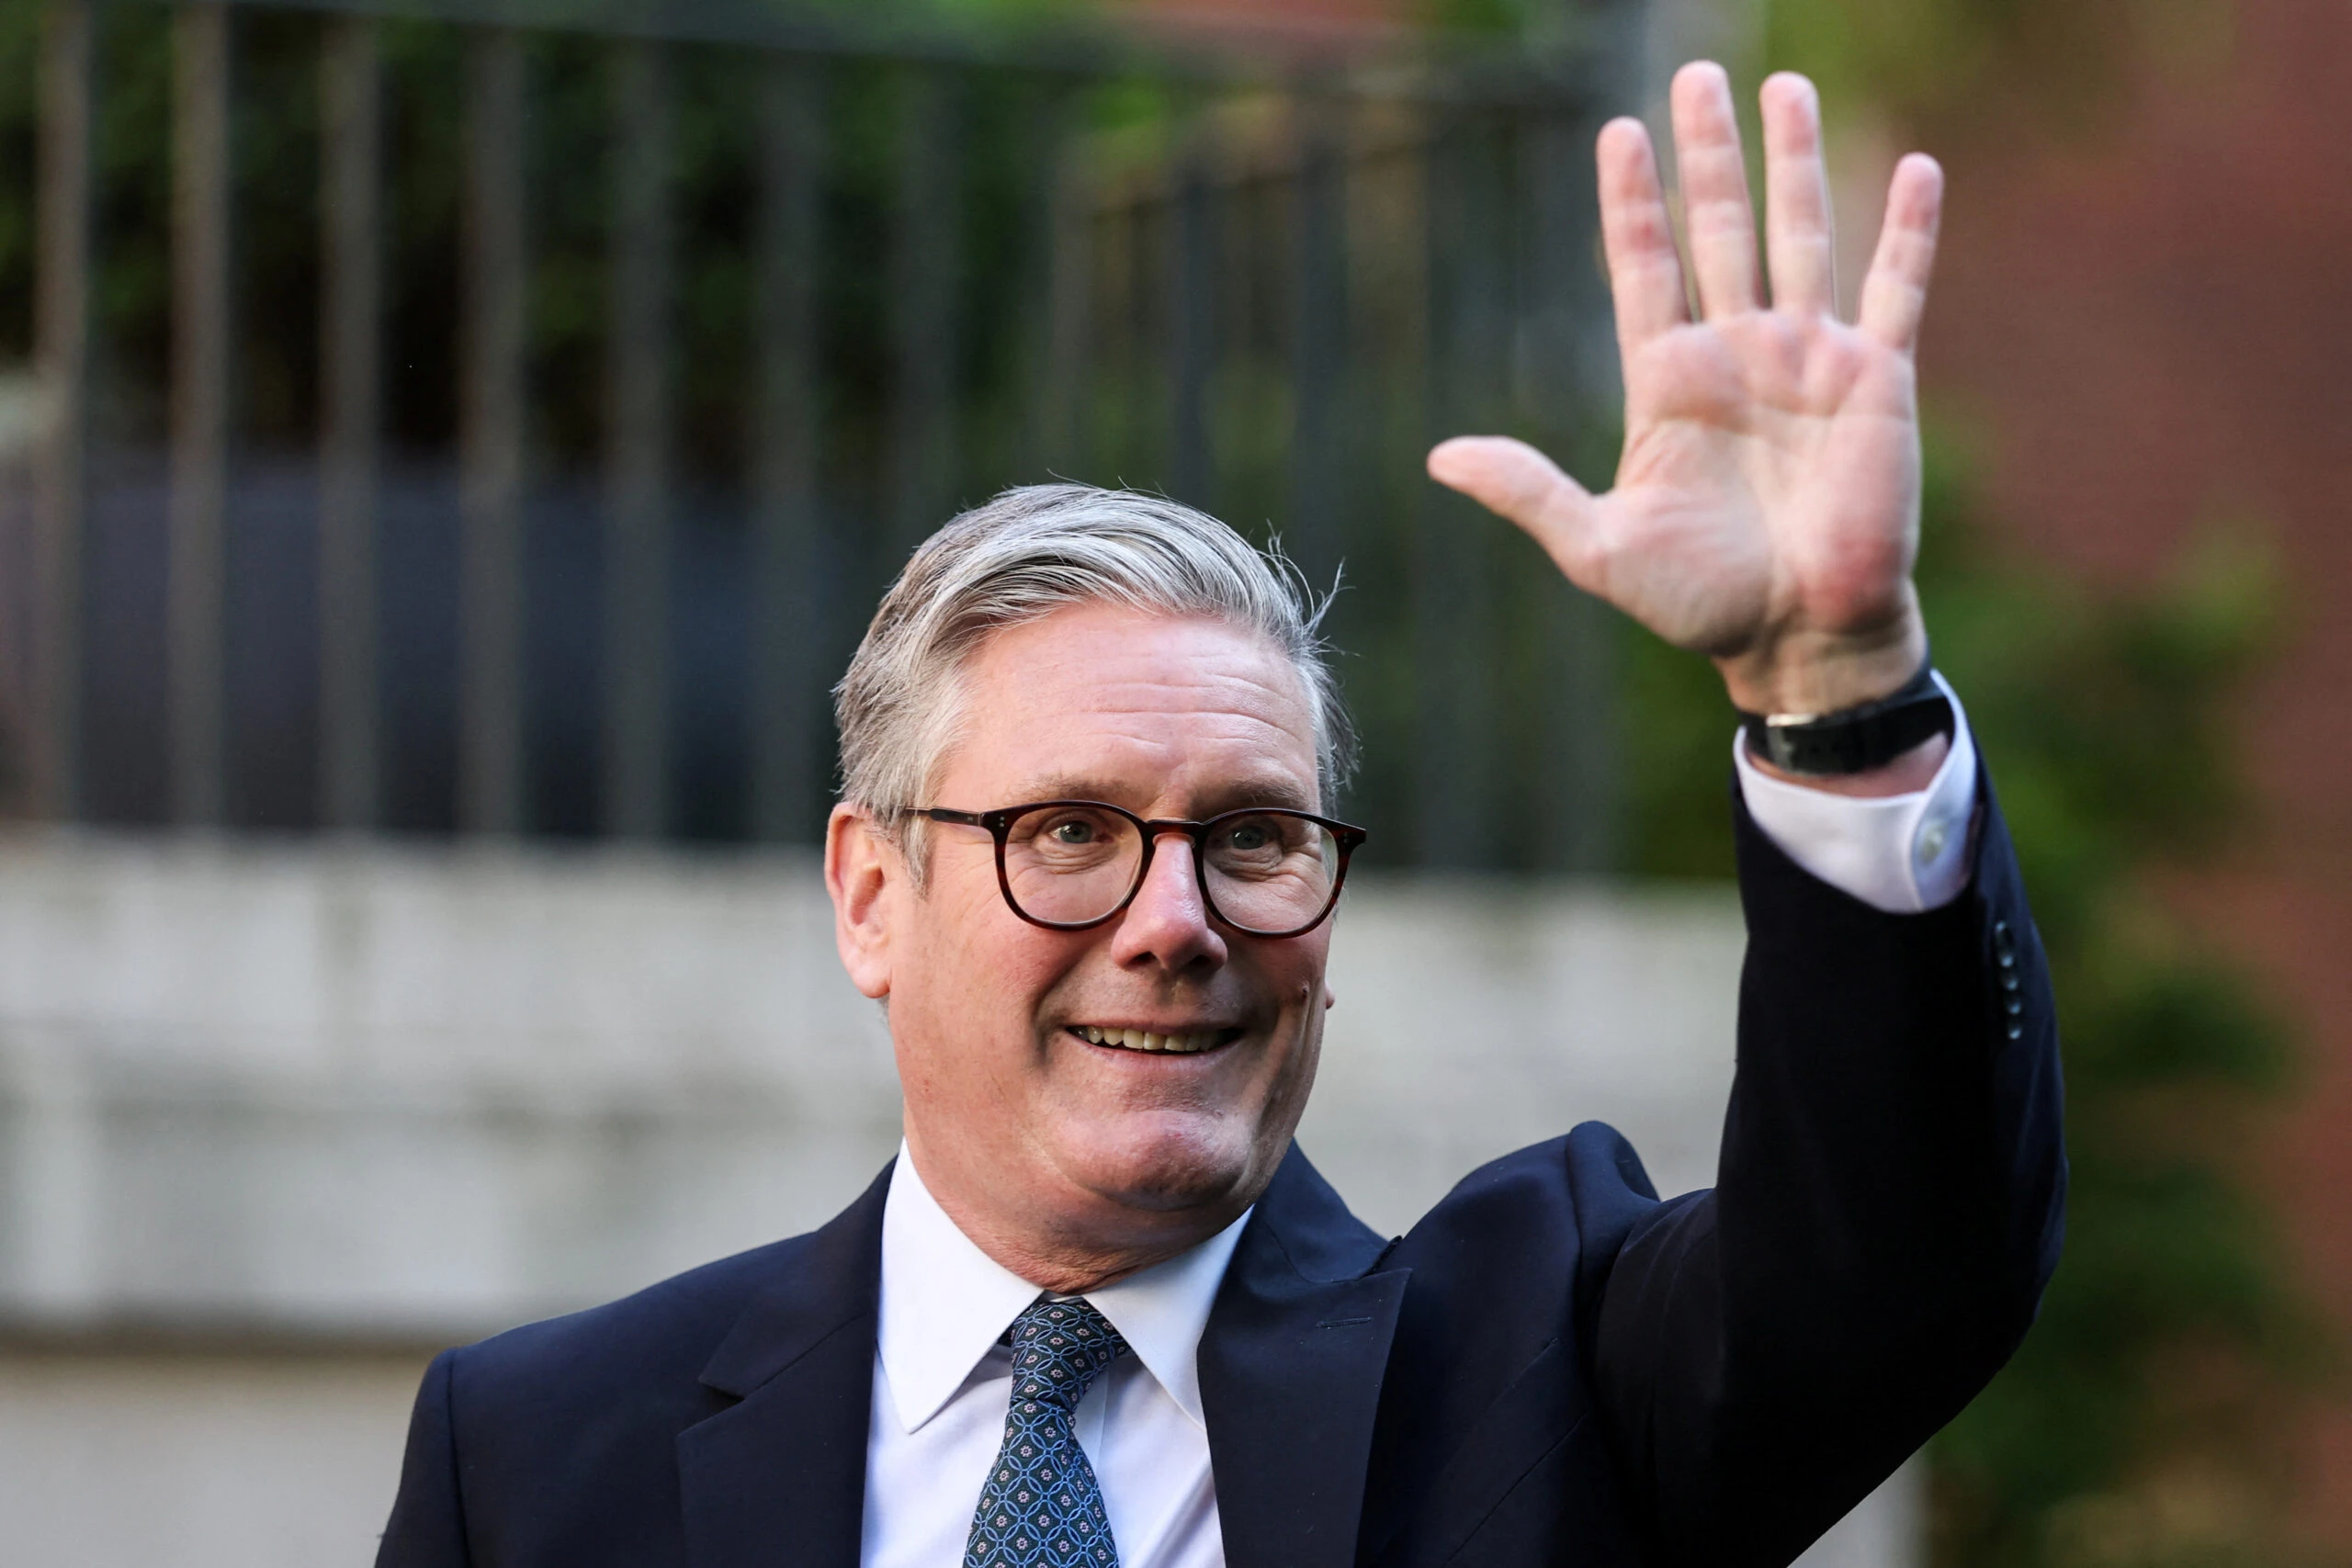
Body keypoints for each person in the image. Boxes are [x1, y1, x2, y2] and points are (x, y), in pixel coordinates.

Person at [377, 62, 2064, 1568]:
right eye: (1069, 832)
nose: (1174, 924)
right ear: (871, 892)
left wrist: (1839, 684)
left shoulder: (1550, 1371)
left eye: (1253, 836)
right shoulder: (536, 1457)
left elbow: (1891, 1270)